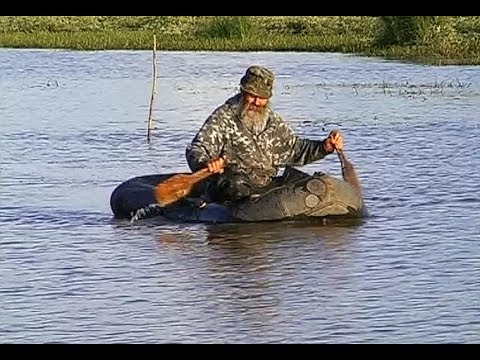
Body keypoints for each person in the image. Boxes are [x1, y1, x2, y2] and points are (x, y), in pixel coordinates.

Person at [186, 65, 344, 203]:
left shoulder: (272, 122)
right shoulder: (224, 117)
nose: (256, 102)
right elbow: (197, 148)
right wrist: (207, 163)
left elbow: (295, 149)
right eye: (252, 96)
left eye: (261, 98)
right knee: (235, 184)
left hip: (265, 185)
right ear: (242, 91)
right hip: (232, 185)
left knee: (311, 183)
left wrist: (324, 147)